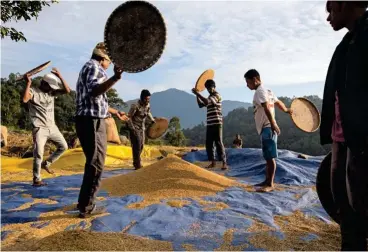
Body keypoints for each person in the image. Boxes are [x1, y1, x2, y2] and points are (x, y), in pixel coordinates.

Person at [320, 1, 368, 250]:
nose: (328, 16)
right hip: (341, 139)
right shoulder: (345, 45)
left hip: (361, 142)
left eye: (331, 9)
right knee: (345, 207)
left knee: (362, 205)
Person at [75, 42, 129, 218]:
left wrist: (115, 111)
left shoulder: (88, 67)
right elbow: (94, 92)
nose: (110, 64)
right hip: (92, 122)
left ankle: (84, 202)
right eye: (110, 61)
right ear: (103, 58)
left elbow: (96, 101)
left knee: (93, 161)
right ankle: (86, 206)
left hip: (89, 119)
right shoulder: (94, 67)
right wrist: (114, 78)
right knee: (96, 163)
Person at [244, 69, 292, 191]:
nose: (247, 85)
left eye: (248, 82)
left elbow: (266, 107)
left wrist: (273, 123)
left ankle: (270, 184)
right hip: (268, 127)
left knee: (270, 157)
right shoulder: (267, 90)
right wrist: (286, 110)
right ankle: (266, 180)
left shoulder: (260, 92)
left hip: (268, 127)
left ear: (255, 79)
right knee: (267, 157)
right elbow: (277, 102)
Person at [22, 69, 71, 187]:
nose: (52, 89)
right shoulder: (34, 91)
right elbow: (24, 99)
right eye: (50, 86)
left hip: (52, 127)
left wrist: (60, 75)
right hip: (40, 128)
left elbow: (67, 90)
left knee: (64, 146)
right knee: (38, 153)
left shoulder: (52, 93)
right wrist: (28, 83)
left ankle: (47, 163)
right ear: (44, 83)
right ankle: (36, 179)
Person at [192, 80, 228, 170]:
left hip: (217, 123)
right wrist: (196, 95)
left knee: (219, 142)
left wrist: (197, 93)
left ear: (214, 87)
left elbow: (207, 102)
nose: (209, 90)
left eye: (210, 88)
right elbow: (201, 105)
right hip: (210, 123)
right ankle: (213, 162)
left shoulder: (217, 95)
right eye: (207, 89)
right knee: (209, 143)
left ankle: (224, 163)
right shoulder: (209, 96)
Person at [128, 89, 155, 170]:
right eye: (146, 99)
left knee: (142, 146)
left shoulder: (148, 105)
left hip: (142, 128)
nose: (148, 100)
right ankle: (137, 164)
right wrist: (132, 129)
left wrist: (152, 119)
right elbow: (129, 118)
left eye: (149, 99)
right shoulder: (135, 105)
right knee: (137, 145)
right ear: (142, 98)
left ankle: (136, 161)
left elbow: (148, 112)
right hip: (134, 127)